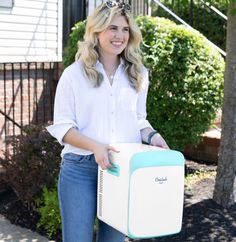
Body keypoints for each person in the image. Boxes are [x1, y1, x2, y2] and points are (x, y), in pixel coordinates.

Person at [47, 1, 169, 242]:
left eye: (125, 30)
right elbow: (63, 127)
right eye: (113, 28)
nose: (120, 36)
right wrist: (95, 146)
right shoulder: (74, 74)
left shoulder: (138, 73)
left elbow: (139, 119)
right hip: (80, 170)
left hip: (121, 169)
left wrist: (154, 137)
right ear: (97, 31)